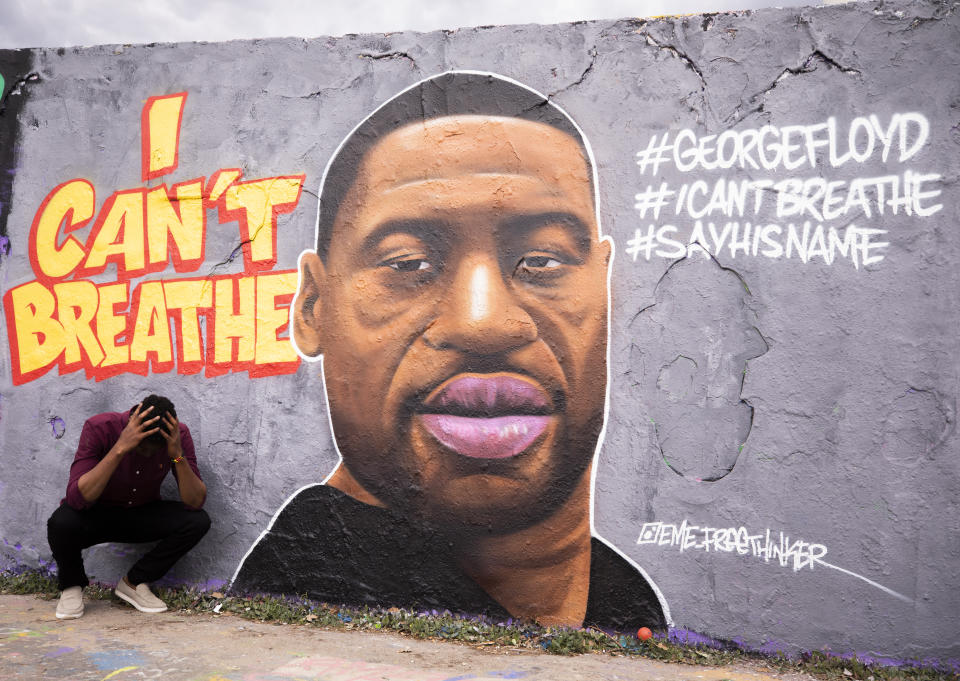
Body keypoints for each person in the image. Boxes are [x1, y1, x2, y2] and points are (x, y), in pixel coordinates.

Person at [232, 71, 668, 631]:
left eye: (543, 260)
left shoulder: (622, 600)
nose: (484, 324)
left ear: (606, 291)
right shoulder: (308, 605)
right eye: (407, 263)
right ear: (313, 308)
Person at [47, 394, 209, 619]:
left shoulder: (177, 436)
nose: (150, 454)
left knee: (197, 521)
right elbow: (77, 498)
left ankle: (133, 583)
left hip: (141, 513)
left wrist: (177, 456)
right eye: (143, 448)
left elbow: (195, 502)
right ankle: (72, 586)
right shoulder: (100, 427)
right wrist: (120, 447)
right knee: (61, 523)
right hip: (97, 514)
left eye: (155, 450)